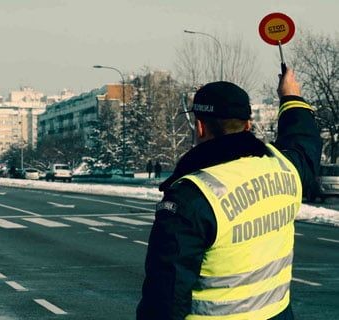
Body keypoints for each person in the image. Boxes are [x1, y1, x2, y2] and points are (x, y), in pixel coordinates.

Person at [137, 69, 321, 320]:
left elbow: (165, 298)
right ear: (248, 125)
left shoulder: (192, 196)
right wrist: (291, 97)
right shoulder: (284, 167)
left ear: (200, 127)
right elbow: (304, 141)